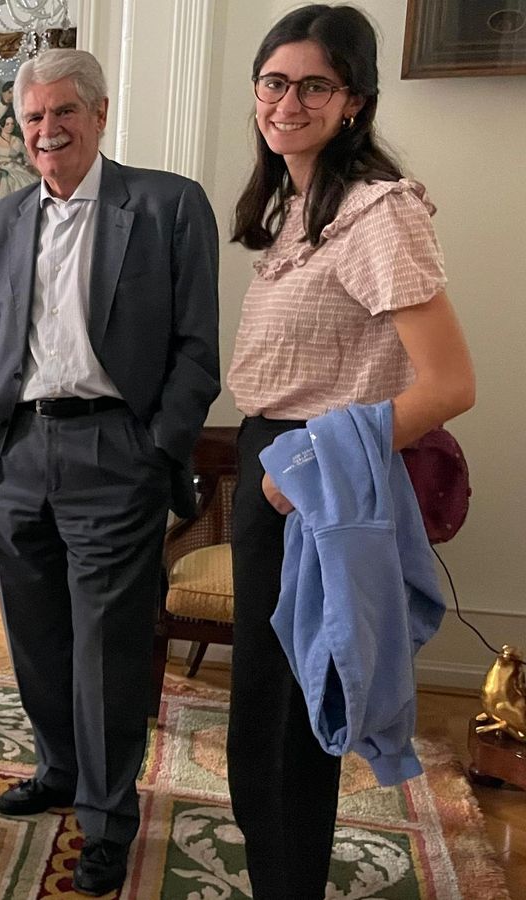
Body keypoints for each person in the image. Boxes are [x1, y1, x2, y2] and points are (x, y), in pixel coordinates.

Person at [0, 48, 221, 896]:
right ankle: (60, 769)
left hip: (117, 450)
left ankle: (108, 819)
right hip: (20, 450)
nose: (47, 131)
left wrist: (156, 449)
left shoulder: (168, 204)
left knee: (107, 648)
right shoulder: (3, 220)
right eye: (32, 118)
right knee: (36, 636)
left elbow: (197, 347)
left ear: (100, 115)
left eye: (63, 112)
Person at [225, 7, 474, 897]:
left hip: (311, 481)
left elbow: (449, 384)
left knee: (292, 723)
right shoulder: (296, 205)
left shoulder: (378, 212)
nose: (288, 101)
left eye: (313, 85)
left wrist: (309, 471)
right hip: (272, 465)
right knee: (261, 711)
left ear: (354, 102)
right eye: (274, 81)